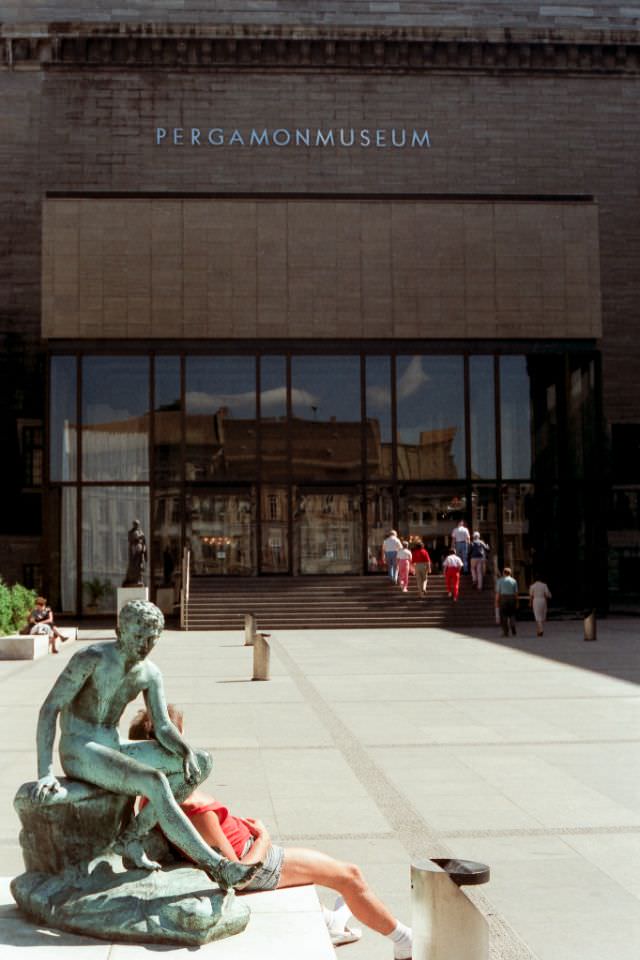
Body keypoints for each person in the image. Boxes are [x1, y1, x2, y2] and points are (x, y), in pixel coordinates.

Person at [129, 705, 413, 960]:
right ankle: (404, 941)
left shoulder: (153, 793)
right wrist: (263, 837)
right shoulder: (192, 808)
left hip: (250, 849)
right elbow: (238, 875)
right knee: (350, 876)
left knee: (336, 882)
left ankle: (333, 923)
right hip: (263, 866)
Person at [32, 598, 259, 892]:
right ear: (120, 631)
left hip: (112, 745)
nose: (144, 644)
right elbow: (50, 707)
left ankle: (131, 837)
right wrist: (45, 771)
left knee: (201, 763)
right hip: (78, 747)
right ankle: (217, 866)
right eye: (138, 636)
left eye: (151, 638)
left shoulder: (150, 672)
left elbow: (162, 726)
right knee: (152, 780)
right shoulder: (92, 657)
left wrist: (185, 750)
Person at [495, 567, 519, 637]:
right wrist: (517, 601)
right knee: (512, 614)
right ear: (510, 573)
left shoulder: (500, 581)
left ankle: (506, 632)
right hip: (512, 598)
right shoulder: (514, 581)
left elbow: (498, 592)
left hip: (503, 598)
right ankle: (513, 626)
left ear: (503, 573)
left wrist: (496, 601)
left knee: (504, 615)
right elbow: (516, 593)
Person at [123, 519, 148, 587]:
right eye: (135, 524)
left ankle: (139, 579)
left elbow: (144, 542)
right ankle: (131, 579)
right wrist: (137, 539)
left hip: (140, 551)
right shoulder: (130, 532)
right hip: (134, 550)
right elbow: (130, 540)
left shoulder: (141, 532)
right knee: (133, 565)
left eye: (137, 524)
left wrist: (144, 549)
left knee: (140, 565)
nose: (136, 525)